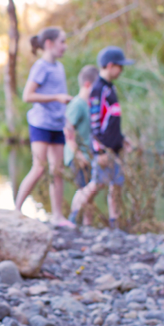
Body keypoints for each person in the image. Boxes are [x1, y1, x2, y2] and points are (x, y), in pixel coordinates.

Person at [69, 46, 134, 229]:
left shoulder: (110, 88)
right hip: (103, 149)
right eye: (120, 66)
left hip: (115, 147)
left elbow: (111, 121)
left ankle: (115, 223)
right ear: (111, 65)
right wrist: (99, 150)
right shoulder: (98, 89)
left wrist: (122, 139)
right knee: (96, 185)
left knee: (116, 185)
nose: (121, 70)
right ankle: (73, 216)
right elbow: (96, 123)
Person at [15, 27, 74, 228]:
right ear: (49, 44)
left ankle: (57, 216)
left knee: (57, 170)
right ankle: (16, 210)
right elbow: (27, 96)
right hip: (40, 123)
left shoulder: (59, 68)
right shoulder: (41, 67)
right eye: (62, 42)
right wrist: (56, 98)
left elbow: (62, 94)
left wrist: (66, 121)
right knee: (39, 168)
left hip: (57, 124)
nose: (65, 46)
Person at [63, 64, 99, 226]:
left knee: (90, 192)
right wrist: (78, 155)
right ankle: (74, 218)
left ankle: (87, 224)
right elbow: (68, 131)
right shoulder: (77, 104)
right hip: (77, 156)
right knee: (84, 190)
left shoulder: (90, 105)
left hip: (88, 155)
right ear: (87, 85)